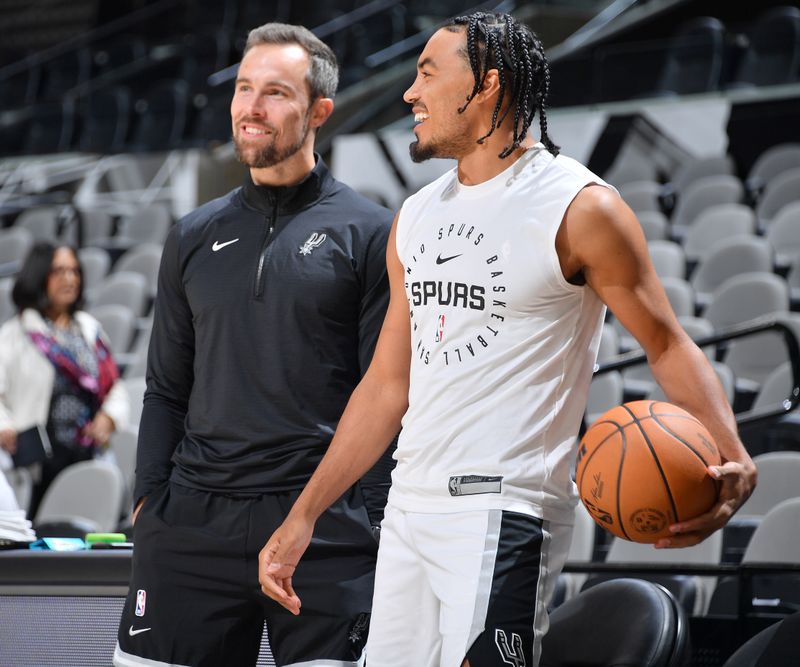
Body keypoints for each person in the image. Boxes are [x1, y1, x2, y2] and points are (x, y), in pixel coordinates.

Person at [259, 11, 757, 667]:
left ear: (488, 84)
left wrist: (731, 448)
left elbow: (664, 342)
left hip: (505, 511)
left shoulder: (581, 206)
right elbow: (385, 385)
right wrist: (303, 515)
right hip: (409, 509)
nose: (410, 93)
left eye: (428, 73)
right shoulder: (416, 216)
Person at [113, 22, 394, 667]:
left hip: (321, 523)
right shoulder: (191, 234)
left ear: (319, 111)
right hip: (191, 522)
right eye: (244, 88)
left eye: (274, 92)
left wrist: (371, 517)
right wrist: (150, 505)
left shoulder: (373, 232)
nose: (251, 108)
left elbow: (384, 390)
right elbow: (165, 387)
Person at [0, 242, 128, 519]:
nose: (69, 279)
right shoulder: (15, 335)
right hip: (37, 459)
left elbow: (113, 385)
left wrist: (109, 416)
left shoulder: (90, 329)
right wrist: (4, 426)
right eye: (58, 271)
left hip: (87, 449)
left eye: (74, 271)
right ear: (39, 276)